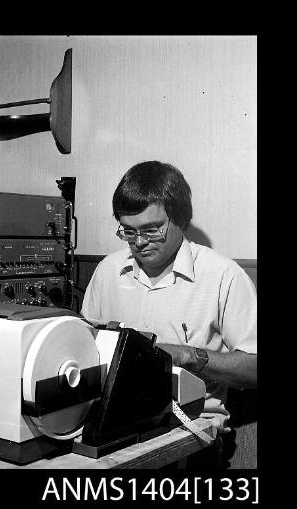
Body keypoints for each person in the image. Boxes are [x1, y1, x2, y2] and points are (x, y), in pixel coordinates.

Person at [81, 161, 257, 467]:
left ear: (181, 219)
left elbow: (255, 369)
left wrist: (189, 356)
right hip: (111, 429)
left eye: (151, 230)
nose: (138, 242)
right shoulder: (108, 270)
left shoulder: (223, 275)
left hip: (190, 439)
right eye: (128, 231)